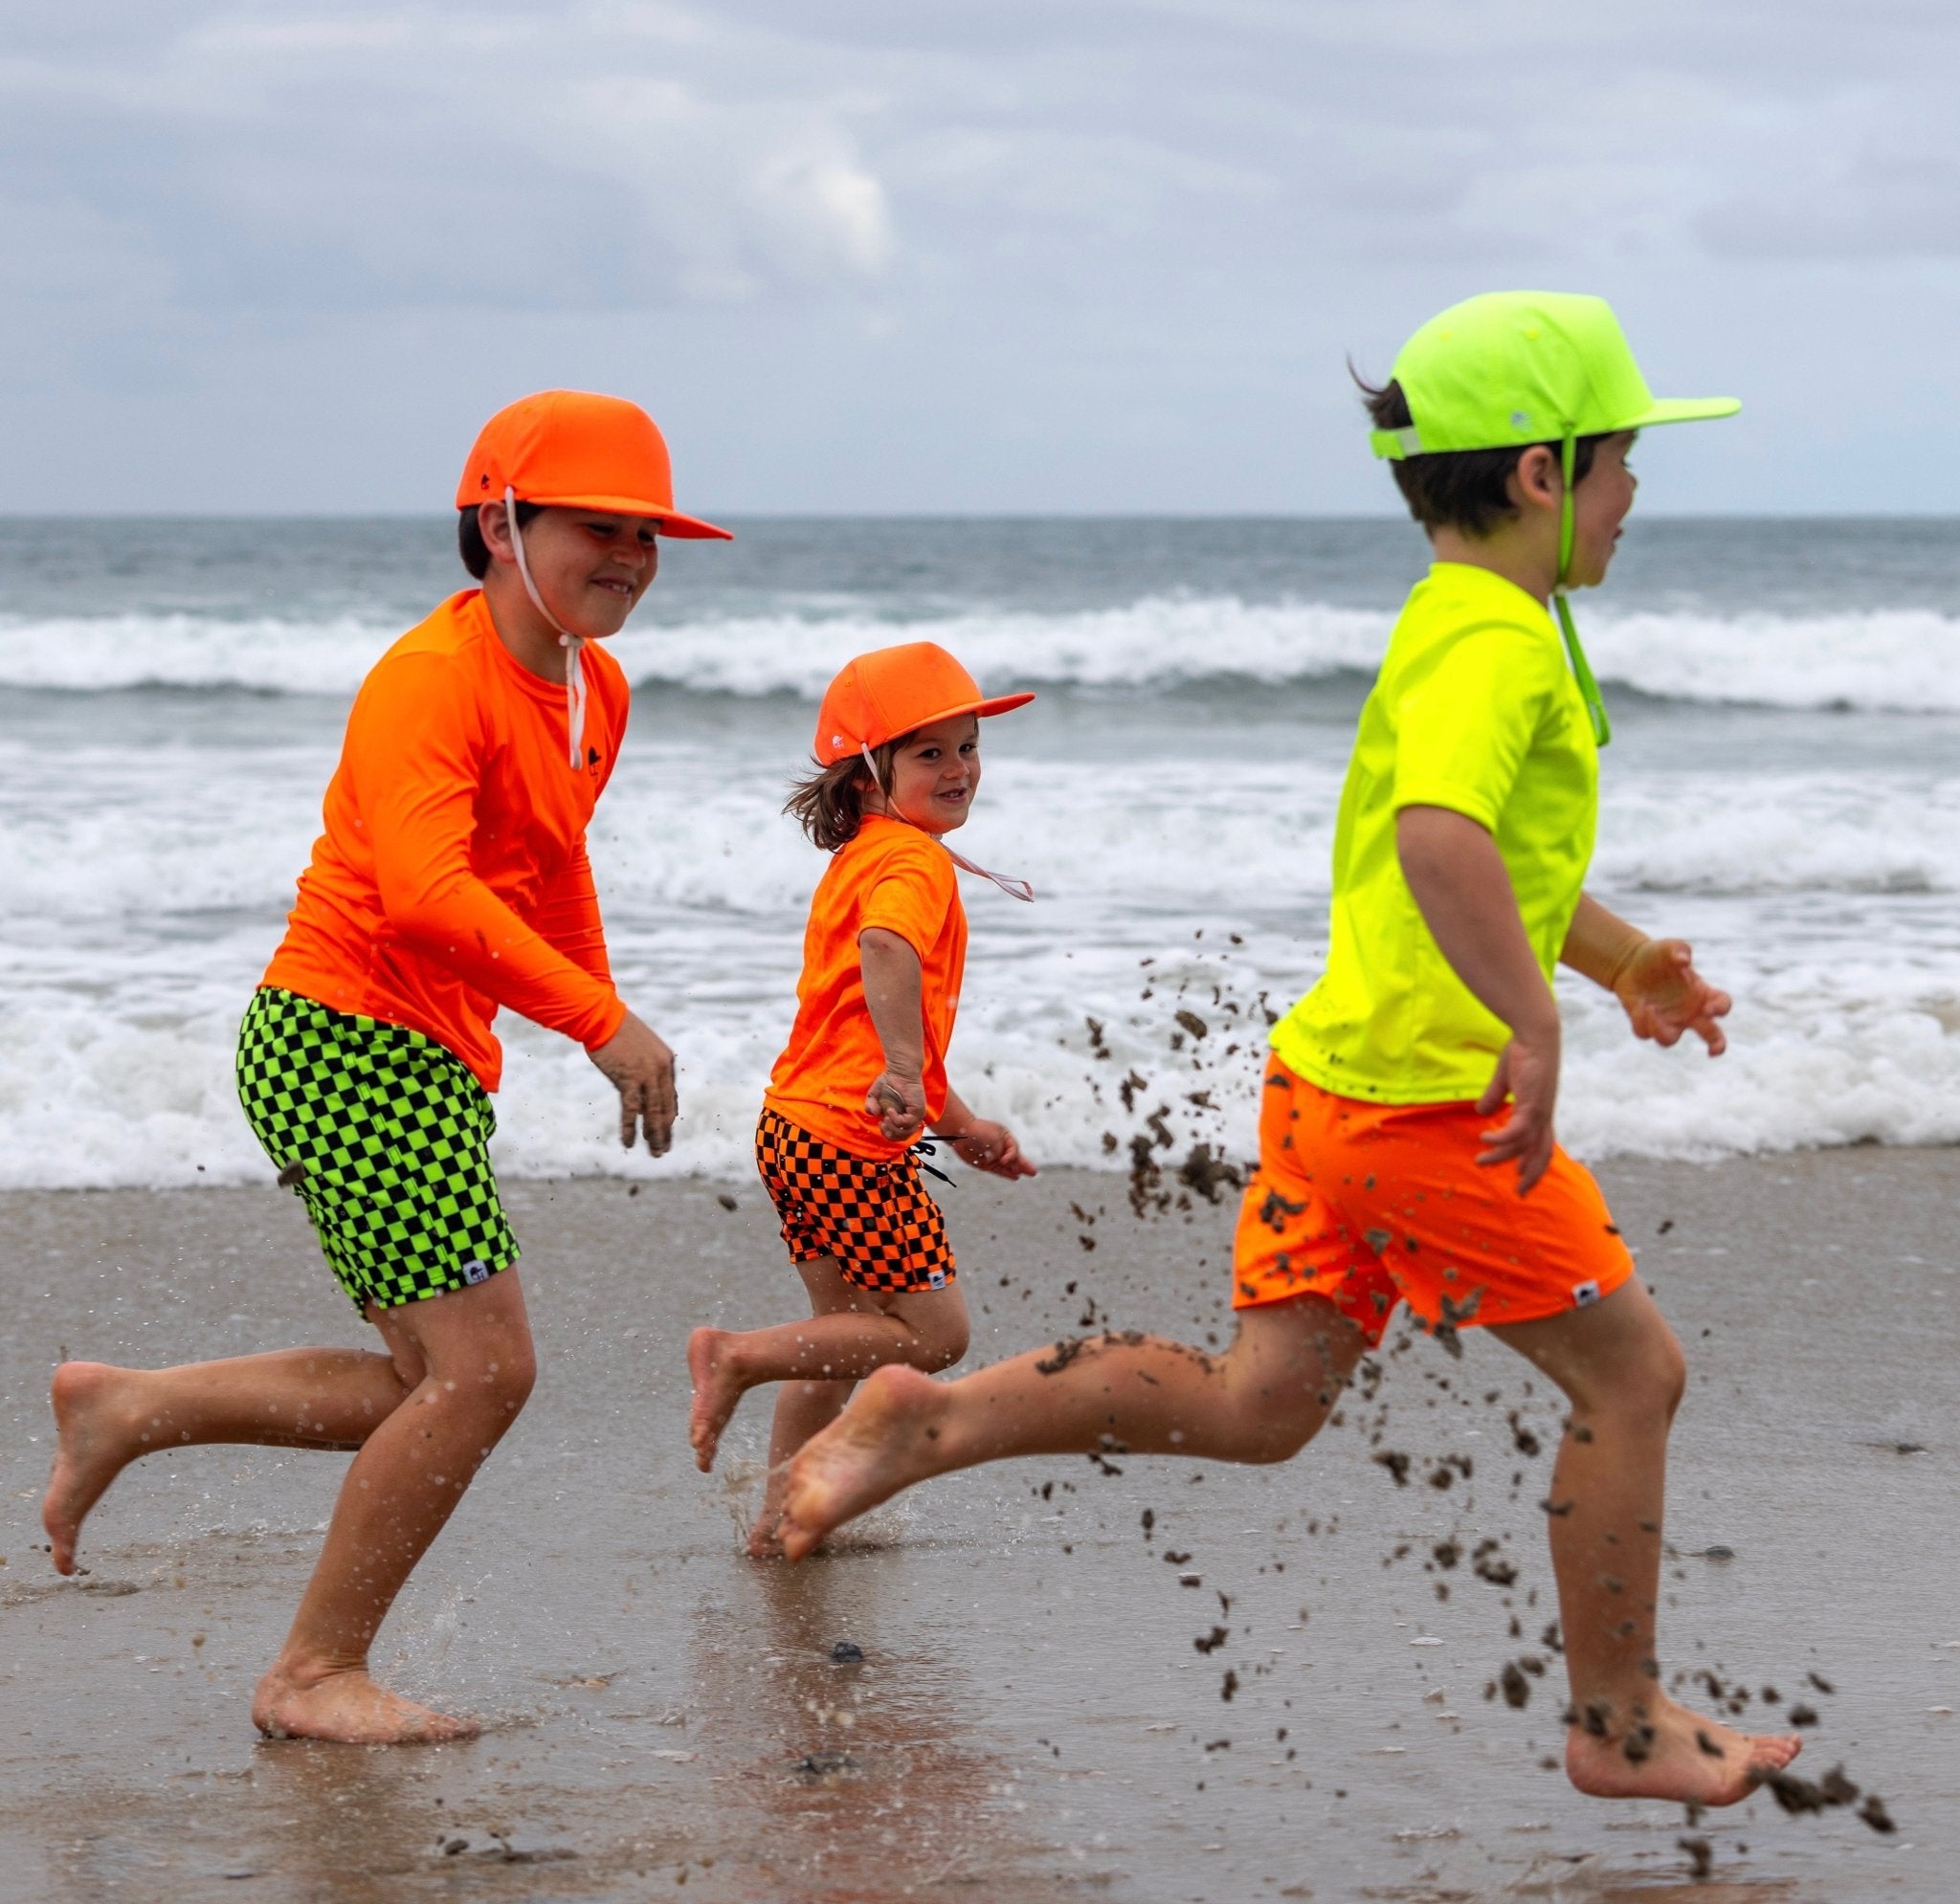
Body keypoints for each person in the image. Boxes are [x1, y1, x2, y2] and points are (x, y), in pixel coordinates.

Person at [770, 295, 1805, 1807]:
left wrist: (1627, 959)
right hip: (1424, 1108)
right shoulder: (1499, 645)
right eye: (1622, 460)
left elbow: (1490, 860)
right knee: (1632, 1378)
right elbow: (1439, 837)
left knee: (1260, 1406)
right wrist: (1534, 1021)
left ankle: (932, 1418)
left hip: (1331, 1089)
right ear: (1537, 474)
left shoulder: (1464, 621)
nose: (1636, 492)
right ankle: (1619, 1719)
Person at [41, 390, 728, 1743]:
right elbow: (421, 893)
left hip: (415, 1051)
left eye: (649, 533)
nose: (633, 559)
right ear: (497, 522)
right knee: (483, 1376)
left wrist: (599, 1005)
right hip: (346, 1036)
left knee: (436, 1380)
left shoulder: (597, 684)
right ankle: (310, 1675)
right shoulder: (432, 678)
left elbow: (550, 863)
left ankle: (129, 1406)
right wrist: (596, 1023)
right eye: (600, 527)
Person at [686, 643, 1038, 1553]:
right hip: (850, 1143)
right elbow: (888, 951)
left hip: (793, 1130)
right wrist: (898, 1067)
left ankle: (778, 1519)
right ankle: (735, 1357)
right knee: (932, 1336)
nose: (960, 769)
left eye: (967, 747)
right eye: (931, 753)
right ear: (870, 773)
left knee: (842, 1338)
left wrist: (962, 1127)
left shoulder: (863, 857)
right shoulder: (912, 868)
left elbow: (877, 1027)